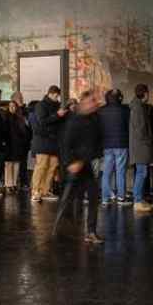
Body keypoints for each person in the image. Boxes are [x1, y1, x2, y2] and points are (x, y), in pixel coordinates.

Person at [56, 91, 104, 244]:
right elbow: (65, 143)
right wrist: (71, 163)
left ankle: (90, 231)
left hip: (85, 163)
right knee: (68, 198)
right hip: (75, 165)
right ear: (83, 103)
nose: (94, 103)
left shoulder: (94, 119)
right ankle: (59, 230)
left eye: (94, 101)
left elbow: (96, 141)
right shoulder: (74, 120)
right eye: (91, 101)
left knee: (93, 195)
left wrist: (91, 156)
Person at [32, 87, 67, 202]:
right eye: (56, 96)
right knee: (41, 166)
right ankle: (35, 191)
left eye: (58, 96)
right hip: (42, 142)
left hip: (54, 142)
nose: (57, 98)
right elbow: (42, 121)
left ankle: (45, 191)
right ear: (50, 94)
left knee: (52, 167)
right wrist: (57, 115)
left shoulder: (57, 106)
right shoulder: (41, 105)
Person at [97, 89, 131, 206]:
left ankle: (105, 198)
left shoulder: (101, 111)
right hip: (121, 144)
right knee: (120, 171)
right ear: (120, 98)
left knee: (106, 172)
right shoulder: (125, 110)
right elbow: (129, 127)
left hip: (106, 145)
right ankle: (121, 197)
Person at [128, 84, 153, 213]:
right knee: (141, 173)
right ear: (145, 93)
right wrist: (149, 140)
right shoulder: (139, 108)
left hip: (139, 146)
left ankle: (139, 199)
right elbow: (141, 130)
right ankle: (138, 201)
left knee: (141, 172)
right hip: (141, 147)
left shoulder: (136, 106)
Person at [5, 97, 30, 193]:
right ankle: (8, 184)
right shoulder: (5, 117)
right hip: (8, 144)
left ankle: (14, 184)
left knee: (16, 164)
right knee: (9, 164)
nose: (12, 108)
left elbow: (25, 131)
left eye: (14, 106)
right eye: (10, 106)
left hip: (18, 145)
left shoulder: (20, 118)